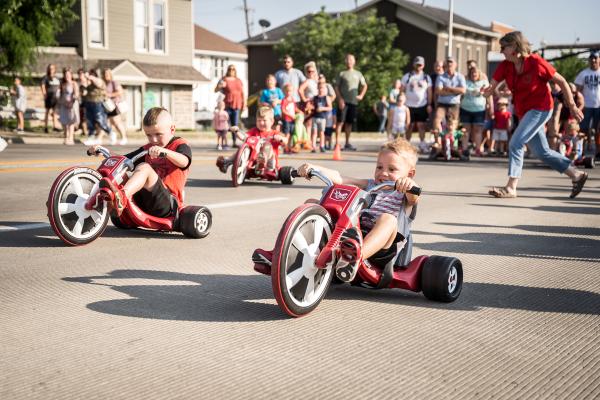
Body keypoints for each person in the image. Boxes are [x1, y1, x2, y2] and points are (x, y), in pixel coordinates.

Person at [292, 138, 419, 282]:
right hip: (351, 236)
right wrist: (313, 168)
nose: (383, 173)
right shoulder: (370, 185)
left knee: (388, 219)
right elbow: (339, 178)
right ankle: (293, 252)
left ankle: (354, 259)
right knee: (312, 204)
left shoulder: (405, 195)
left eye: (392, 169)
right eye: (379, 167)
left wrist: (409, 185)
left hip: (381, 249)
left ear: (409, 174)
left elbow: (414, 198)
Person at [483, 31, 587, 199]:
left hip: (542, 108)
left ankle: (511, 187)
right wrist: (487, 92)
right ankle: (576, 175)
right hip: (525, 112)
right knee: (542, 152)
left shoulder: (536, 62)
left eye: (504, 47)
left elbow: (561, 81)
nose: (501, 51)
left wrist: (573, 106)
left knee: (516, 143)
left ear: (515, 46)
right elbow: (492, 86)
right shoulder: (506, 65)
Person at [88, 107, 192, 217]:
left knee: (144, 167)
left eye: (158, 134)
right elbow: (123, 160)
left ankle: (121, 198)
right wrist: (103, 151)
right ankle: (98, 199)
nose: (154, 140)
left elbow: (184, 161)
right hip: (144, 201)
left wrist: (165, 152)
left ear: (172, 129)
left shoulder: (180, 144)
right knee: (121, 174)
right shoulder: (148, 148)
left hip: (167, 204)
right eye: (149, 135)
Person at [216, 106, 286, 173]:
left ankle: (262, 160)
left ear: (272, 121)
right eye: (259, 120)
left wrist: (280, 139)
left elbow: (285, 142)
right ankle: (226, 161)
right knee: (245, 147)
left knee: (267, 145)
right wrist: (237, 131)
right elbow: (244, 137)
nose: (261, 123)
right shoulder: (254, 131)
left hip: (270, 164)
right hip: (252, 161)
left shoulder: (274, 133)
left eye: (264, 120)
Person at [335, 54, 368, 151]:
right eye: (347, 59)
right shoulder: (342, 73)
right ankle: (337, 143)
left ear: (354, 61)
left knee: (349, 123)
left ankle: (347, 143)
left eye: (351, 59)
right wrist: (340, 99)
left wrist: (361, 95)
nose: (349, 61)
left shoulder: (358, 74)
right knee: (340, 122)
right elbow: (336, 87)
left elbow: (365, 85)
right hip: (343, 102)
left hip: (353, 102)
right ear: (345, 61)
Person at [401, 56, 433, 153]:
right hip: (409, 105)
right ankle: (407, 143)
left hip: (422, 105)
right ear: (414, 64)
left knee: (421, 125)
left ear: (423, 65)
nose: (418, 66)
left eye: (420, 64)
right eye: (417, 64)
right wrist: (401, 101)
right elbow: (402, 89)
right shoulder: (407, 76)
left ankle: (422, 143)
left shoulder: (426, 77)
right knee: (409, 125)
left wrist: (429, 104)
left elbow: (429, 91)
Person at [459, 66, 491, 158]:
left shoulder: (484, 82)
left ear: (479, 74)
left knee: (478, 130)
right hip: (466, 108)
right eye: (472, 73)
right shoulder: (465, 82)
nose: (474, 74)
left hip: (479, 109)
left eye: (475, 73)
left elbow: (488, 95)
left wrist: (490, 107)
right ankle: (465, 149)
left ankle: (478, 149)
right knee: (466, 130)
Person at [433, 57, 466, 141]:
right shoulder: (441, 77)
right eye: (448, 63)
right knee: (437, 121)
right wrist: (455, 91)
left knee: (453, 125)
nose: (449, 64)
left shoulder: (460, 76)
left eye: (451, 62)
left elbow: (463, 90)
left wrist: (448, 88)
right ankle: (438, 142)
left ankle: (452, 143)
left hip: (454, 104)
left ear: (456, 65)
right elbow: (438, 91)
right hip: (442, 104)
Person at [574, 51, 600, 158]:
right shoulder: (584, 73)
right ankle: (581, 152)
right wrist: (578, 105)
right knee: (583, 129)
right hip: (586, 106)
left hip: (599, 106)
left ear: (599, 60)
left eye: (595, 58)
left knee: (599, 130)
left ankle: (598, 152)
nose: (593, 60)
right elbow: (577, 90)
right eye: (591, 58)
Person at [215, 64, 245, 147]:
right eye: (230, 69)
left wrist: (244, 103)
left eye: (233, 69)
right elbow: (215, 90)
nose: (231, 70)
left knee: (235, 124)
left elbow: (242, 92)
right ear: (227, 70)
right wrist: (220, 86)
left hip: (237, 104)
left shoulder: (238, 80)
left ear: (235, 70)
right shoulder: (224, 79)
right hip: (227, 104)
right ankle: (224, 142)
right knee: (225, 124)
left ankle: (234, 142)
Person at [81, 69, 112, 146]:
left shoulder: (100, 81)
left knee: (100, 121)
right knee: (90, 122)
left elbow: (97, 83)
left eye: (92, 75)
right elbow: (84, 93)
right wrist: (84, 85)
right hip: (89, 104)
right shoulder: (89, 85)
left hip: (98, 104)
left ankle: (110, 132)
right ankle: (91, 136)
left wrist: (89, 77)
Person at [103, 68, 128, 145]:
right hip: (109, 106)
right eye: (104, 74)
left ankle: (124, 138)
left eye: (107, 74)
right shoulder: (105, 84)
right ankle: (114, 138)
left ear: (110, 75)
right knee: (111, 123)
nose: (106, 75)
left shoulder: (114, 82)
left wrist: (109, 95)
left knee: (117, 122)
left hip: (115, 105)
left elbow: (120, 92)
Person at [57, 68, 79, 145]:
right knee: (64, 121)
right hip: (63, 103)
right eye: (66, 74)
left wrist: (71, 102)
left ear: (71, 75)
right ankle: (66, 136)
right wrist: (59, 103)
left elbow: (76, 94)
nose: (67, 76)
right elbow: (60, 94)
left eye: (68, 74)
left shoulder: (74, 83)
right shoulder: (62, 84)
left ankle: (71, 138)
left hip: (72, 104)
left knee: (71, 121)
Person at [312, 82, 332, 152]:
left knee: (321, 132)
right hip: (315, 117)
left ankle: (322, 146)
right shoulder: (315, 97)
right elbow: (312, 106)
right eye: (320, 88)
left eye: (322, 88)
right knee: (314, 132)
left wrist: (322, 108)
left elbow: (330, 108)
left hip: (322, 118)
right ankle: (313, 147)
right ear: (317, 88)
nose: (321, 89)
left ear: (325, 89)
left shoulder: (326, 98)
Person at [40, 64, 60, 133]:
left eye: (52, 68)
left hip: (56, 98)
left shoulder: (57, 78)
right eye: (50, 68)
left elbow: (60, 87)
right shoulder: (46, 78)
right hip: (49, 97)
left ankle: (55, 126)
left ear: (55, 69)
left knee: (55, 112)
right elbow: (43, 86)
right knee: (47, 112)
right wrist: (44, 94)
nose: (51, 70)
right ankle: (46, 127)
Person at [280, 83, 298, 147]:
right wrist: (290, 115)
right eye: (287, 91)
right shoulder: (284, 100)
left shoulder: (292, 100)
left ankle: (289, 146)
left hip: (292, 120)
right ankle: (285, 146)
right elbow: (283, 110)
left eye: (290, 91)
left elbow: (295, 108)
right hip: (286, 119)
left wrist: (299, 112)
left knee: (291, 133)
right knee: (287, 133)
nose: (288, 92)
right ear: (284, 92)